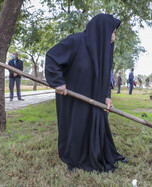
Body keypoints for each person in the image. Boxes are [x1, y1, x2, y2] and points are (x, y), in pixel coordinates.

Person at [45, 14, 126, 172]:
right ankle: (76, 157)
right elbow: (52, 57)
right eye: (113, 32)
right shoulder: (75, 41)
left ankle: (96, 154)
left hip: (95, 99)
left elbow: (104, 76)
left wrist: (107, 96)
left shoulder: (105, 50)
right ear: (102, 30)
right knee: (78, 127)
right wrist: (58, 82)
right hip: (74, 98)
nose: (114, 36)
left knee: (95, 126)